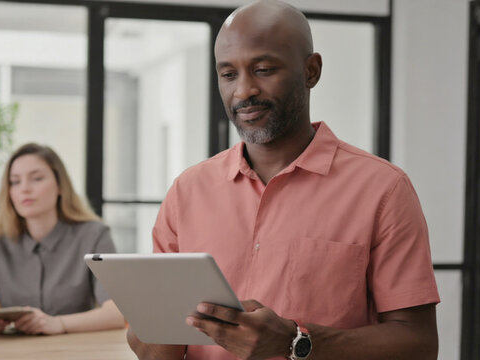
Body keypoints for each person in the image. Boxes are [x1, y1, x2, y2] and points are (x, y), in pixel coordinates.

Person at [127, 1, 441, 359]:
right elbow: (156, 347)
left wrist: (297, 341)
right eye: (228, 74)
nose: (243, 91)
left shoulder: (383, 189)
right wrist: (150, 331)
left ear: (311, 70)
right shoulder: (187, 191)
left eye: (262, 69)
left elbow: (418, 345)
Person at [0, 143, 125, 336]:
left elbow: (117, 313)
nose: (24, 189)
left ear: (60, 186)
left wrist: (59, 323)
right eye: (15, 182)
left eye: (37, 178)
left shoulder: (94, 235)